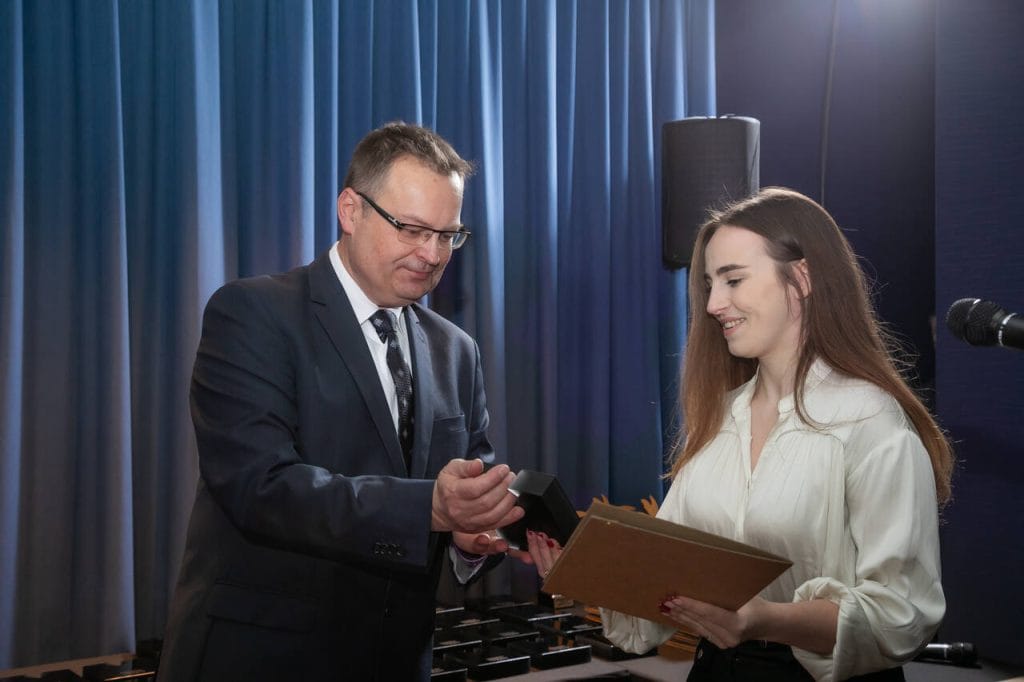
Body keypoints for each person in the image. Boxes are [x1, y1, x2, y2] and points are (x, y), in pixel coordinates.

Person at [528, 187, 954, 681]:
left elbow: (902, 614)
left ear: (802, 277)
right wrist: (590, 576)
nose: (713, 304)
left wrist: (765, 620)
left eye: (732, 280)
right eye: (710, 284)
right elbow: (658, 599)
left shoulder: (870, 421)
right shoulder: (718, 419)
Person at [159, 122, 525, 681]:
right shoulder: (253, 314)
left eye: (448, 235)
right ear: (351, 210)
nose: (431, 254)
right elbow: (262, 488)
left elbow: (466, 483)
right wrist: (429, 507)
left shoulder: (458, 351)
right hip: (265, 662)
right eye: (410, 228)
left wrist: (471, 533)